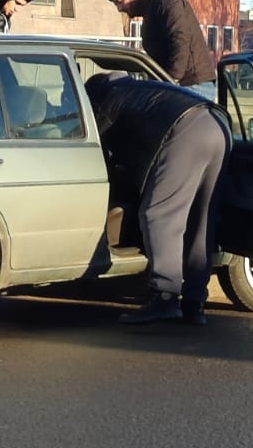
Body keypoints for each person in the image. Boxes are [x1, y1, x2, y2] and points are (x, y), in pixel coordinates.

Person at [85, 71, 229, 326]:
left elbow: (94, 144)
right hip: (217, 124)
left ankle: (165, 296)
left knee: (159, 214)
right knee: (202, 219)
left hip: (186, 130)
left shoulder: (106, 97)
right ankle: (195, 301)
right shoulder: (137, 88)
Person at [106, 0, 216, 91]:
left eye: (121, 0)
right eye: (116, 4)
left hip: (190, 84)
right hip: (180, 83)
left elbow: (180, 37)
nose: (119, 9)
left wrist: (171, 79)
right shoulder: (153, 6)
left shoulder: (165, 1)